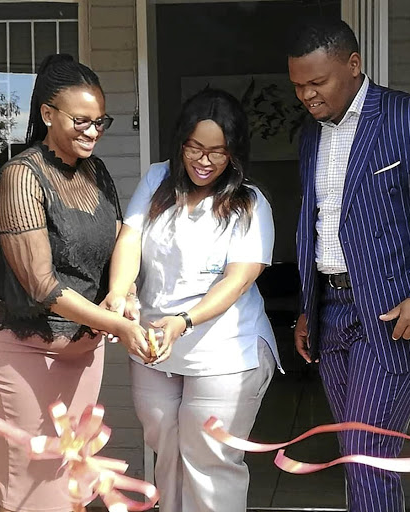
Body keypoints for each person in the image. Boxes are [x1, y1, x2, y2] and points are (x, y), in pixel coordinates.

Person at [0, 54, 146, 512]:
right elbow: (41, 286)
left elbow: (118, 249)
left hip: (82, 353)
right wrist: (123, 328)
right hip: (22, 351)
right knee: (38, 489)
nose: (93, 132)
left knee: (75, 483)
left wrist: (123, 295)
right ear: (48, 114)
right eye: (81, 121)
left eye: (100, 122)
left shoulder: (98, 173)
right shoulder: (20, 177)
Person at [288, 17, 410, 512]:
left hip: (393, 316)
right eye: (298, 87)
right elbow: (319, 224)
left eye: (317, 83)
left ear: (353, 65)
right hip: (331, 312)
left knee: (366, 456)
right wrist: (309, 306)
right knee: (357, 455)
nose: (308, 97)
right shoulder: (309, 136)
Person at [105, 88, 282, 512]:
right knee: (168, 456)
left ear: (235, 153)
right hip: (153, 346)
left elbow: (238, 279)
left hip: (224, 351)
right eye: (195, 148)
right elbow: (129, 238)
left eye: (218, 152)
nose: (204, 161)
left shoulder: (251, 204)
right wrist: (119, 292)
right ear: (181, 142)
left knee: (209, 464)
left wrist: (182, 320)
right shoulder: (157, 179)